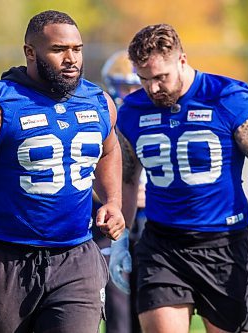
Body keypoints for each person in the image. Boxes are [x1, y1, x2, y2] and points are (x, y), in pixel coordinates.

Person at [0, 10, 124, 333]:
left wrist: (112, 200)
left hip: (76, 256)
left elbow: (109, 150)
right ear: (30, 53)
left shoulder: (99, 102)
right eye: (59, 50)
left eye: (77, 49)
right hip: (6, 260)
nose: (71, 59)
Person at [110, 23, 248, 333]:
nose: (152, 89)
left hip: (225, 245)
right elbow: (126, 178)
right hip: (163, 245)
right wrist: (122, 239)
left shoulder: (227, 97)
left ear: (182, 60)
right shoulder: (133, 111)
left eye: (160, 77)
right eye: (143, 79)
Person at [92, 50, 142, 333]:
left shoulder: (152, 115)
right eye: (126, 85)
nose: (132, 92)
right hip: (111, 225)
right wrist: (115, 198)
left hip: (151, 223)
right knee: (117, 308)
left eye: (137, 84)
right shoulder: (107, 119)